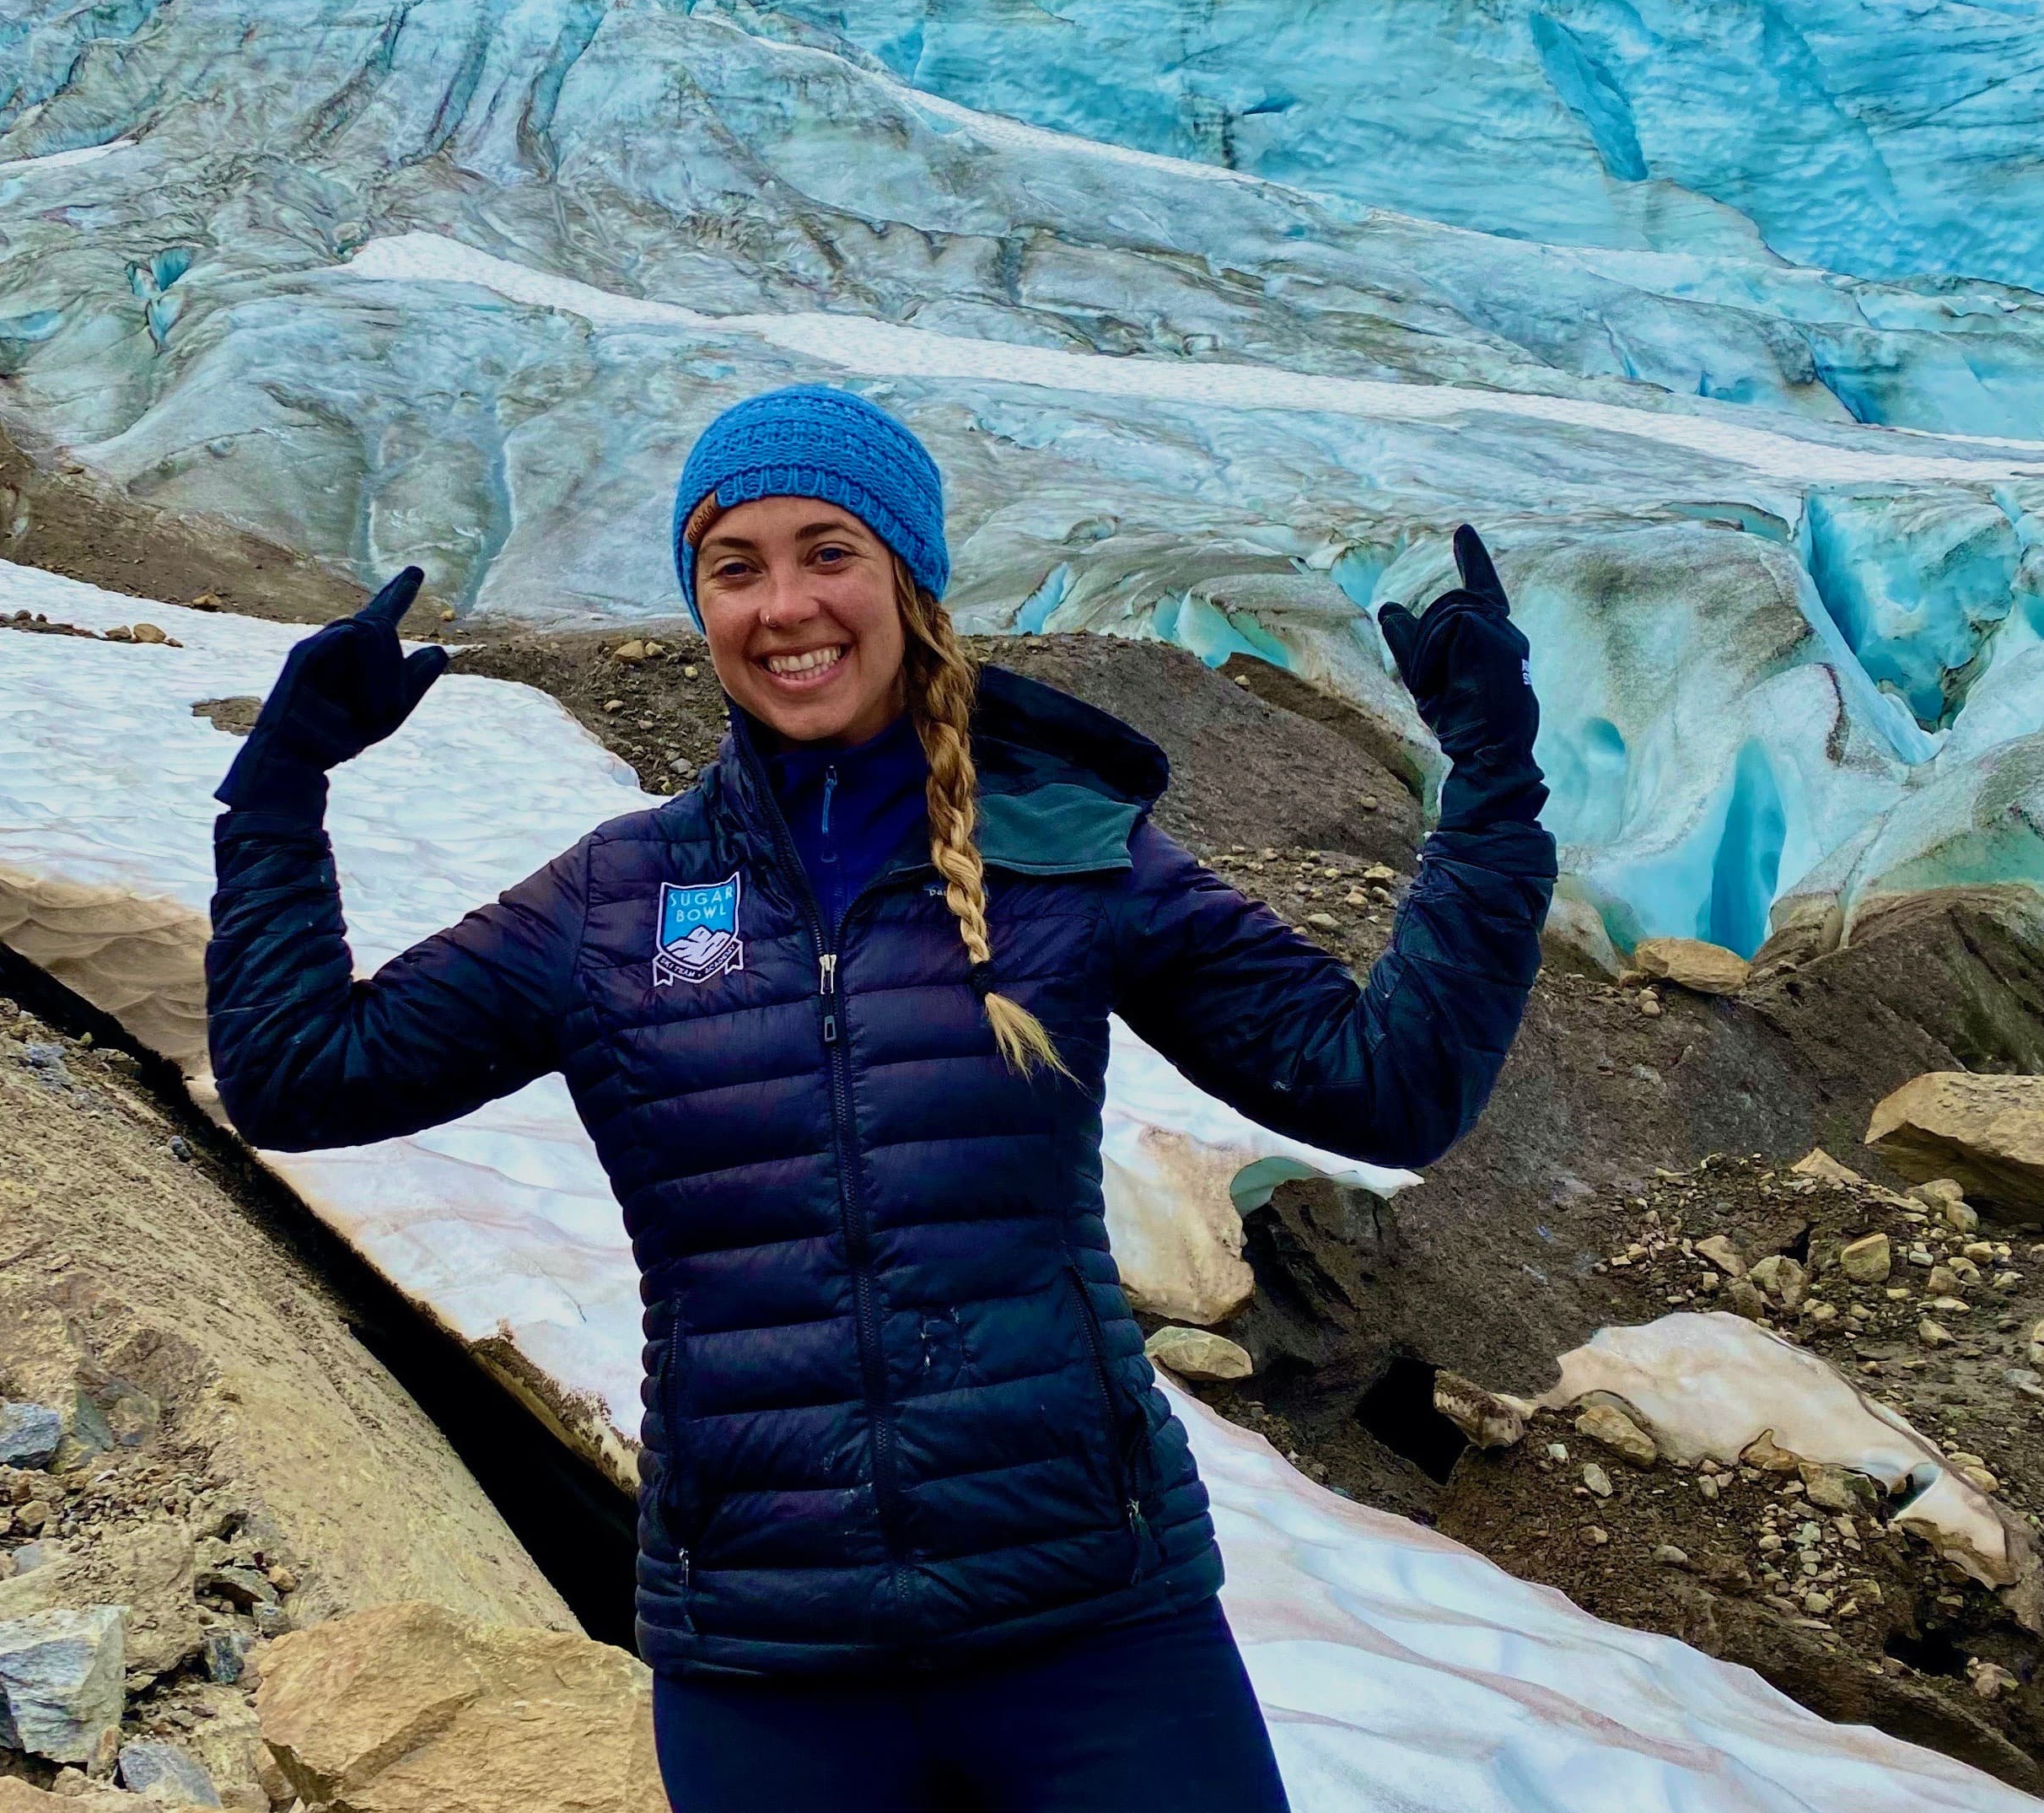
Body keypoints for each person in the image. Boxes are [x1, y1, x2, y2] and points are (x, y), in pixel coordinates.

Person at [206, 385, 1555, 1813]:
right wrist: (280, 788)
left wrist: (1491, 791)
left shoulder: (1068, 857)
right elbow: (302, 1078)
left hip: (1092, 1623)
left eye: (827, 551)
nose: (786, 605)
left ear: (906, 577)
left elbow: (1380, 1090)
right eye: (737, 567)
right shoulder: (619, 900)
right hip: (771, 1657)